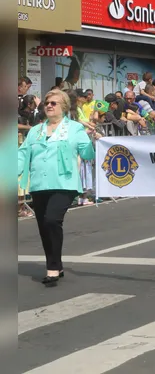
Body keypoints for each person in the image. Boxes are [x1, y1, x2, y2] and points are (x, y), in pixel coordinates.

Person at [17, 89, 100, 286]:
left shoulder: (74, 129)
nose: (49, 106)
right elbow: (22, 153)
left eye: (54, 103)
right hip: (39, 184)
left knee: (52, 220)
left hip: (64, 183)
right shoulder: (35, 131)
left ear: (63, 107)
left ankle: (53, 268)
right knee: (44, 227)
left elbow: (87, 154)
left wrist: (91, 140)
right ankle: (56, 264)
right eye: (47, 103)